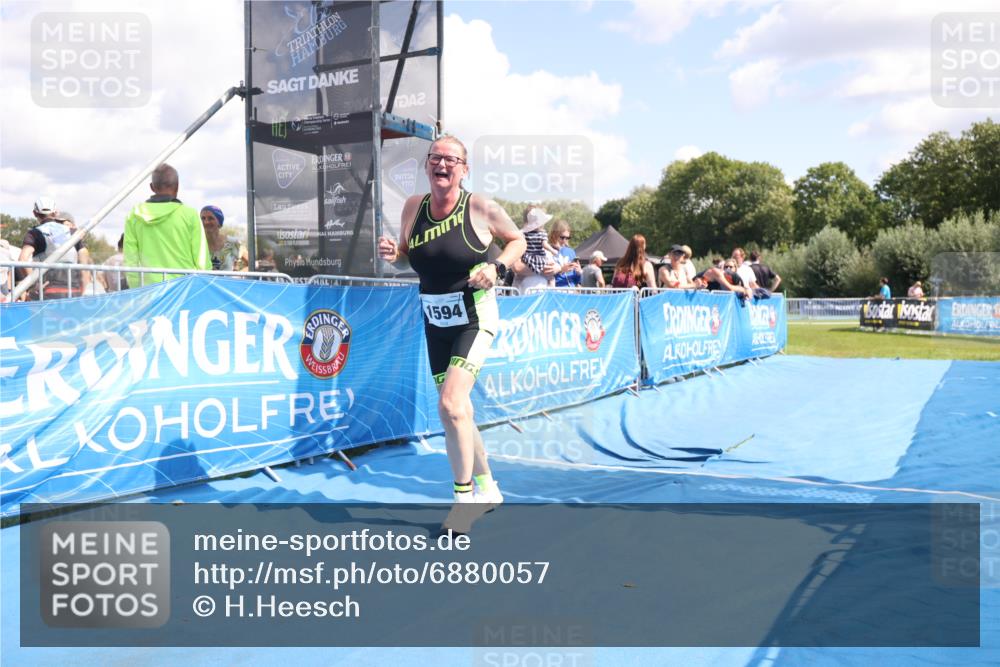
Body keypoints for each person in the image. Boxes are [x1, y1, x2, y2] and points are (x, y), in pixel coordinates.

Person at [377, 135, 526, 529]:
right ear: (427, 165)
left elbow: (518, 241)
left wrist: (497, 269)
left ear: (464, 168)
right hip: (435, 322)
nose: (442, 165)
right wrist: (395, 255)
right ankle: (488, 486)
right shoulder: (414, 207)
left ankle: (464, 502)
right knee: (458, 411)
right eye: (435, 158)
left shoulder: (480, 207)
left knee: (450, 405)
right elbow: (409, 258)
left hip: (475, 317)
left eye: (451, 160)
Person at [123, 163, 211, 287]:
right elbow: (202, 261)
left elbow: (130, 261)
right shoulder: (190, 214)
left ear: (152, 187)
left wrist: (138, 291)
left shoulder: (133, 216)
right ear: (177, 187)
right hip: (183, 291)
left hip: (149, 293)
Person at [16, 197, 87, 299]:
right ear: (56, 212)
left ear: (35, 213)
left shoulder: (34, 233)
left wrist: (34, 284)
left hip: (46, 291)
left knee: (28, 304)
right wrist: (82, 289)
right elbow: (85, 262)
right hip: (73, 290)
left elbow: (23, 259)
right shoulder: (72, 232)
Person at [519, 207, 559, 287]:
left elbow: (556, 267)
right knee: (551, 278)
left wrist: (558, 268)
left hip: (528, 258)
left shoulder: (524, 234)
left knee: (550, 272)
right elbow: (517, 268)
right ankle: (552, 291)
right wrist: (553, 250)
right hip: (539, 259)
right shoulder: (542, 233)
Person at [200, 205, 241, 271]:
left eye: (210, 218)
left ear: (219, 222)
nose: (206, 222)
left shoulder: (233, 242)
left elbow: (249, 263)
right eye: (203, 218)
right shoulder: (198, 244)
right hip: (205, 281)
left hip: (227, 281)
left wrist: (238, 276)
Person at [551, 220, 582, 287]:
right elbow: (546, 274)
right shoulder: (547, 251)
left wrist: (579, 273)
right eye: (562, 237)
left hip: (571, 292)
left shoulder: (571, 252)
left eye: (567, 238)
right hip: (556, 291)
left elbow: (577, 280)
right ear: (554, 235)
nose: (565, 240)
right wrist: (561, 269)